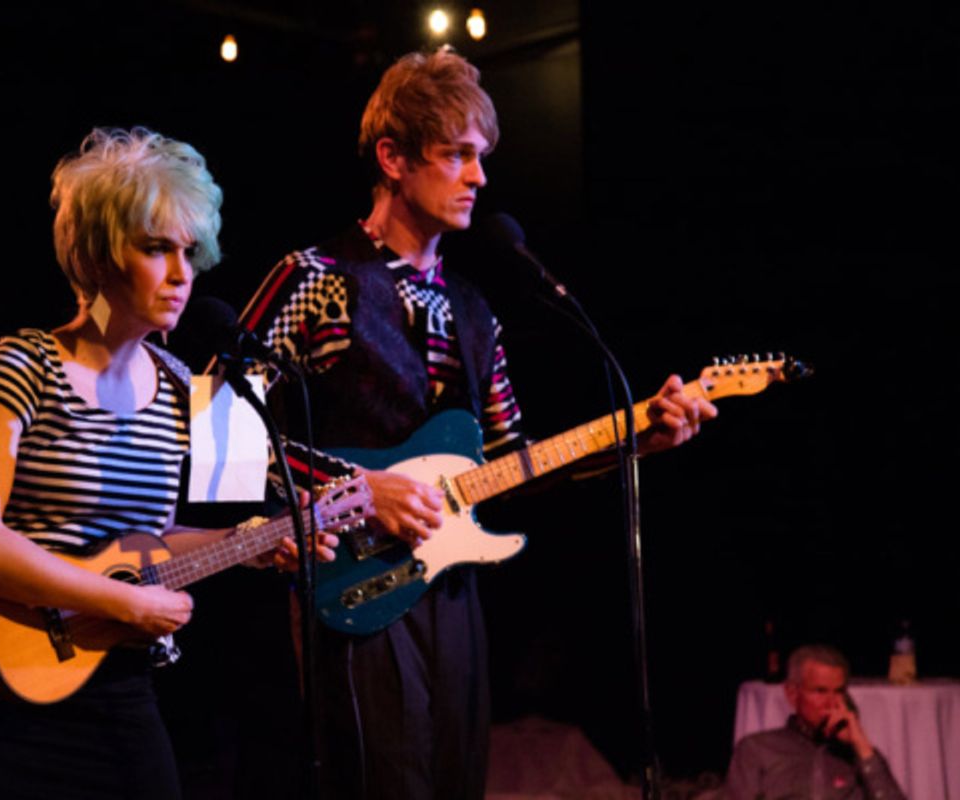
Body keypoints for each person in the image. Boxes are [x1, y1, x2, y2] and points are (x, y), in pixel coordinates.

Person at [237, 48, 717, 799]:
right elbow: (223, 428)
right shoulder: (315, 278)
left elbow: (512, 459)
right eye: (457, 154)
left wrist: (637, 439)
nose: (479, 177)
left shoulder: (474, 308)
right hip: (347, 582)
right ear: (393, 158)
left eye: (482, 157)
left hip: (449, 592)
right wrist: (359, 489)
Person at [0, 126, 332, 800]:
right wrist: (125, 599)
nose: (183, 274)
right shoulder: (24, 363)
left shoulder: (185, 386)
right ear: (98, 256)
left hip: (118, 690)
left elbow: (142, 549)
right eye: (157, 249)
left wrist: (254, 543)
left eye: (190, 251)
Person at [725, 644, 906, 800]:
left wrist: (862, 745)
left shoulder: (861, 755)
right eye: (820, 691)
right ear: (792, 694)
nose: (832, 702)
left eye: (839, 691)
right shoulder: (757, 749)